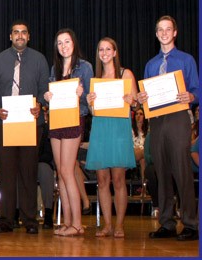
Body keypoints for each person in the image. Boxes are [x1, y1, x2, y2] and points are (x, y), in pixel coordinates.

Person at [137, 15, 199, 241]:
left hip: (178, 117)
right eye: (160, 30)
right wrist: (142, 97)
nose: (164, 33)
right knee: (161, 171)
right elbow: (145, 97)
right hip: (157, 120)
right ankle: (167, 223)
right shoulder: (151, 64)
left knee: (181, 169)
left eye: (168, 29)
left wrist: (191, 95)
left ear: (175, 33)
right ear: (156, 34)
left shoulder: (186, 60)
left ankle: (191, 224)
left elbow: (197, 91)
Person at [0, 20, 48, 234]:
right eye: (16, 32)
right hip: (4, 122)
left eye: (23, 32)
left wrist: (40, 104)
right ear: (10, 36)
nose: (19, 35)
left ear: (28, 37)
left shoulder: (39, 59)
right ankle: (6, 220)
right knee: (7, 173)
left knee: (29, 172)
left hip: (31, 123)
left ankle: (30, 220)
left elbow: (44, 89)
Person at [85, 37, 137, 238]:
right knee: (102, 180)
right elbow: (92, 111)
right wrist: (90, 102)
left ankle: (120, 225)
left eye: (108, 49)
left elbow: (136, 104)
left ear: (115, 52)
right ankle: (107, 224)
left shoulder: (126, 74)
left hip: (118, 129)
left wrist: (131, 100)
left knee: (118, 179)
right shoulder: (96, 78)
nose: (104, 53)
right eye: (101, 50)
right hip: (100, 129)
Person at [44, 28, 93, 237]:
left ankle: (78, 223)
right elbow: (51, 94)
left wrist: (83, 95)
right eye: (60, 43)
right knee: (60, 173)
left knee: (67, 171)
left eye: (67, 41)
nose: (64, 46)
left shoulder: (85, 67)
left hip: (74, 119)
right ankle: (67, 222)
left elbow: (92, 100)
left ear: (74, 43)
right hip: (56, 120)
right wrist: (46, 96)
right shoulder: (54, 69)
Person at [131, 107, 149, 183]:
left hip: (144, 154)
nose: (138, 116)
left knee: (143, 160)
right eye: (136, 114)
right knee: (142, 153)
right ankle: (144, 185)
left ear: (144, 116)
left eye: (141, 114)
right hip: (132, 153)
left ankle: (143, 184)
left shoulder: (148, 130)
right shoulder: (130, 130)